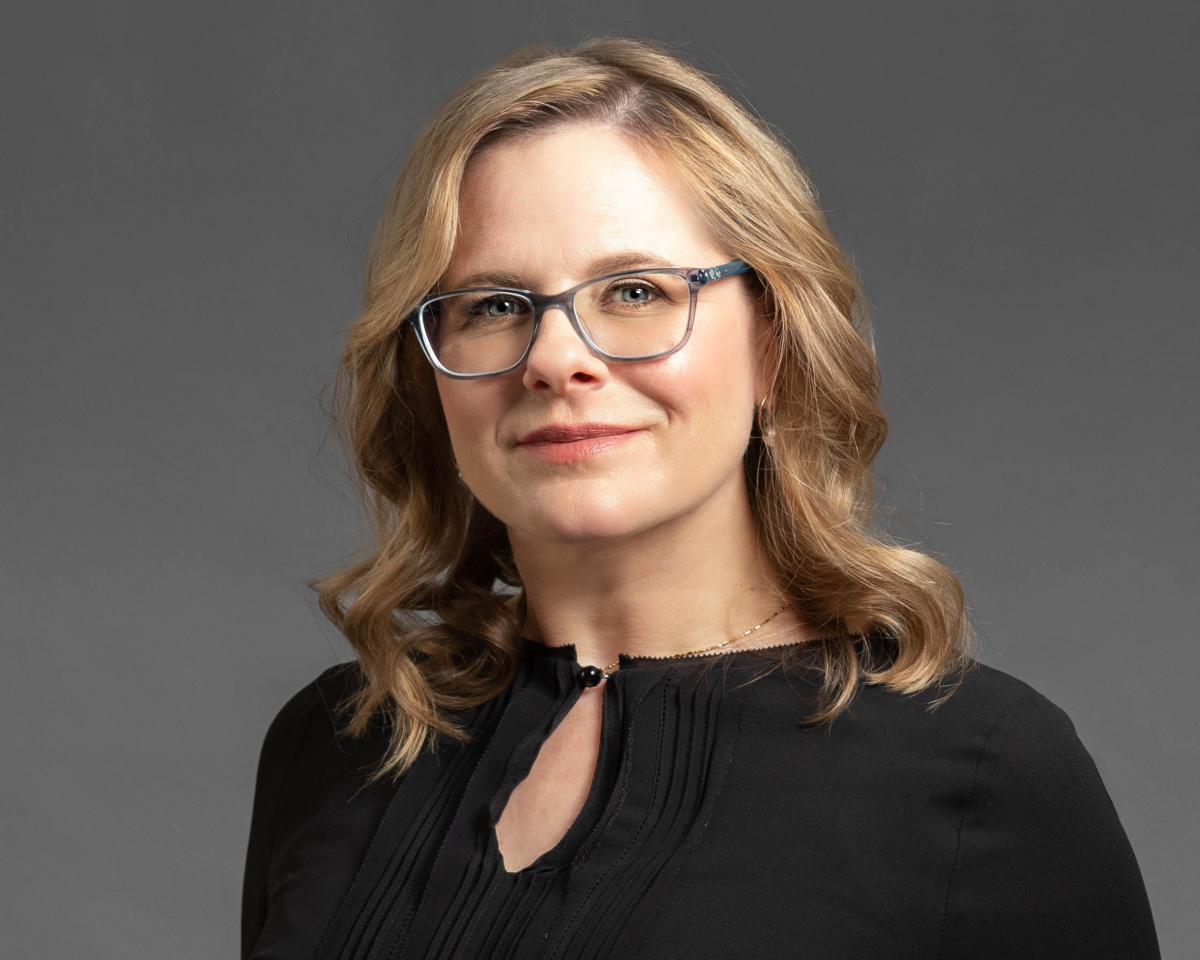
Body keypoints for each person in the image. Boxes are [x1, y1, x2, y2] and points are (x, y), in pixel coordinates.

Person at [240, 36, 1160, 959]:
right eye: (494, 305)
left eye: (637, 291)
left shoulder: (982, 770)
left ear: (774, 346)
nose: (556, 360)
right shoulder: (340, 743)